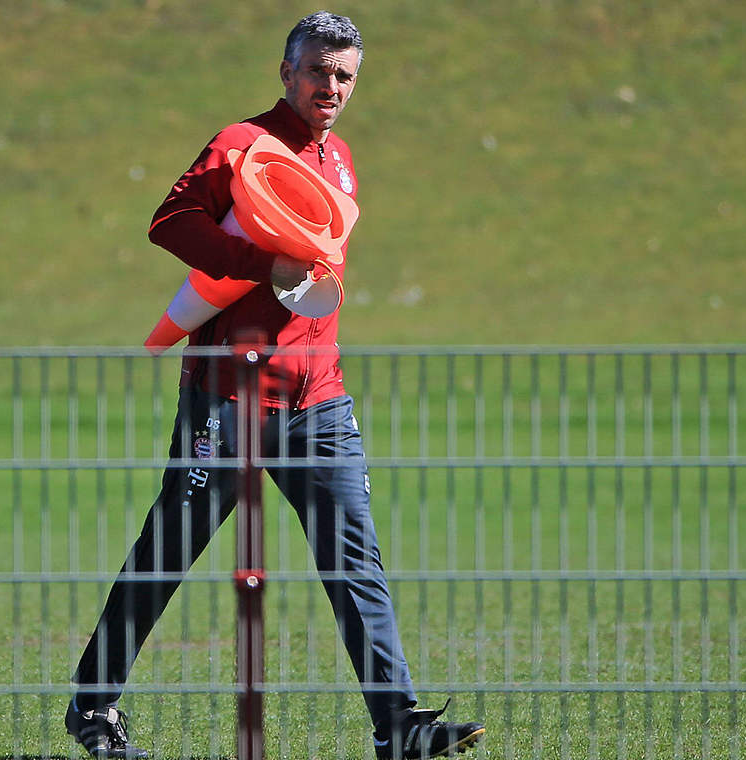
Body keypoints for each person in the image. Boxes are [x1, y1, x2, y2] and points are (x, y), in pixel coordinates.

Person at [64, 12, 486, 760]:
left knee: (356, 564)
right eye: (318, 71)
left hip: (321, 400)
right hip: (230, 399)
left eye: (344, 75)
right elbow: (170, 222)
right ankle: (94, 710)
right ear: (286, 73)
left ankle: (400, 728)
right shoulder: (241, 143)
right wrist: (262, 266)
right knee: (168, 552)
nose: (331, 87)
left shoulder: (342, 158)